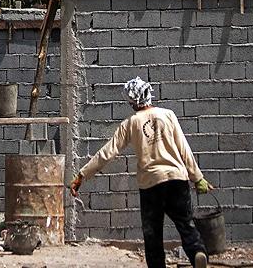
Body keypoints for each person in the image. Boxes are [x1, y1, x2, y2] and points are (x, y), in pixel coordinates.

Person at [70, 77, 213, 268]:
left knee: (153, 234)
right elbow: (184, 148)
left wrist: (82, 175)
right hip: (176, 179)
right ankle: (197, 252)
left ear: (131, 101)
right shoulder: (168, 115)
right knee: (186, 225)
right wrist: (198, 178)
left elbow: (107, 152)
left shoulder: (131, 123)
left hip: (151, 184)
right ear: (149, 93)